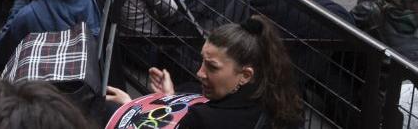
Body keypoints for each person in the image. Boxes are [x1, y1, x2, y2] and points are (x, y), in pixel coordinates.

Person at [106, 17, 304, 128]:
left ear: (245, 75)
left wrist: (131, 109)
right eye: (202, 61)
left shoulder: (203, 121)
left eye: (212, 66)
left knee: (107, 109)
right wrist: (169, 98)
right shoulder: (281, 101)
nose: (200, 72)